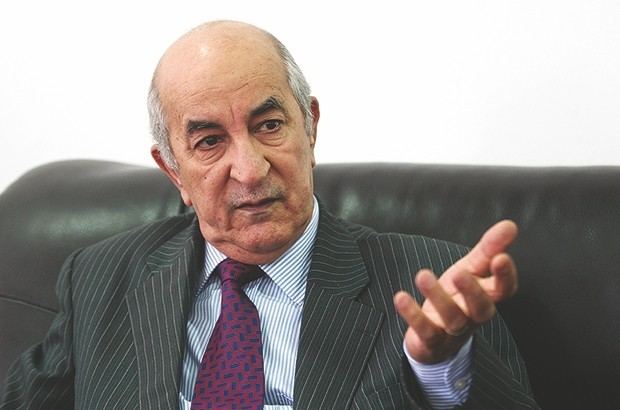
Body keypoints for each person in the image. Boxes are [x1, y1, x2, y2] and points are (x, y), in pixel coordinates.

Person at [1, 20, 538, 409]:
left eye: (269, 126)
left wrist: (440, 366)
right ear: (173, 171)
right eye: (210, 141)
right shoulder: (100, 278)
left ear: (311, 127)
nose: (250, 169)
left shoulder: (432, 284)